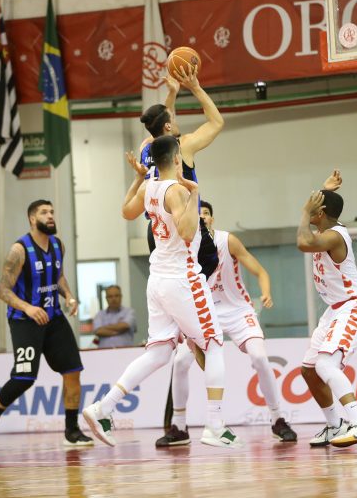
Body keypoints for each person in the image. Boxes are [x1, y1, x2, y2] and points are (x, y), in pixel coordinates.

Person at [83, 135, 241, 448]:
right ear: (177, 157)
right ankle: (214, 425)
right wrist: (194, 195)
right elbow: (186, 231)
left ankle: (103, 408)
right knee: (213, 344)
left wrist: (138, 178)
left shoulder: (148, 187)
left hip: (157, 279)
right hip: (183, 278)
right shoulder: (178, 190)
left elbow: (126, 212)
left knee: (158, 353)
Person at [156, 202, 298, 447]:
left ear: (212, 219)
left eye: (206, 214)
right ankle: (178, 427)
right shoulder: (181, 247)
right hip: (201, 313)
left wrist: (266, 293)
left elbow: (261, 272)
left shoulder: (227, 240)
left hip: (237, 310)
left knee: (260, 358)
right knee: (180, 362)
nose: (203, 217)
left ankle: (278, 420)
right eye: (197, 214)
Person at [0, 200, 93, 450]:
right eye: (44, 212)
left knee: (73, 371)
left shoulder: (58, 245)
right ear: (32, 219)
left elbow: (58, 277)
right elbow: (3, 290)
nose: (50, 216)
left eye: (52, 212)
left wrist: (69, 296)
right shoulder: (19, 250)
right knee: (24, 377)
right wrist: (28, 307)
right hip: (25, 320)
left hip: (54, 317)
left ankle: (71, 430)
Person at [296, 170, 357, 448]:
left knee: (325, 364)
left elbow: (303, 243)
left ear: (320, 214)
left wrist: (304, 212)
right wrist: (324, 190)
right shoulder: (326, 227)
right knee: (309, 370)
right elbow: (323, 213)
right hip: (335, 310)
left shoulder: (334, 236)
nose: (308, 210)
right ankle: (335, 426)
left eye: (313, 209)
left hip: (354, 306)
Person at [138, 67, 222, 278]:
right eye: (173, 118)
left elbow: (161, 122)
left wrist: (172, 93)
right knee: (203, 273)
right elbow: (216, 122)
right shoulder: (182, 146)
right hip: (183, 223)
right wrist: (195, 87)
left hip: (157, 230)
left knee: (169, 279)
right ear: (168, 125)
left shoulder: (145, 147)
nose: (176, 120)